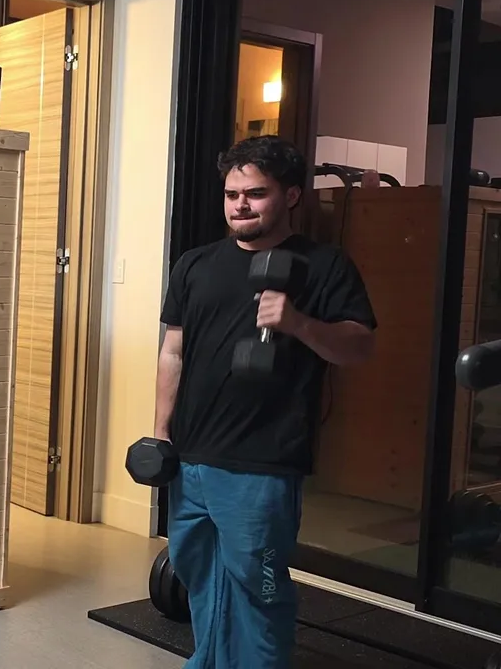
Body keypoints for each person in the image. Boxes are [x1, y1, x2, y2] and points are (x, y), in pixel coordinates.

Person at [154, 135, 378, 668]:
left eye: (255, 194)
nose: (240, 205)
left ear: (291, 195)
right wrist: (160, 433)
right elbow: (172, 353)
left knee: (260, 585)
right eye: (232, 194)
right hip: (192, 457)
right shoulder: (194, 265)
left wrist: (297, 322)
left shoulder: (324, 266)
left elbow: (359, 348)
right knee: (199, 574)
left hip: (263, 461)